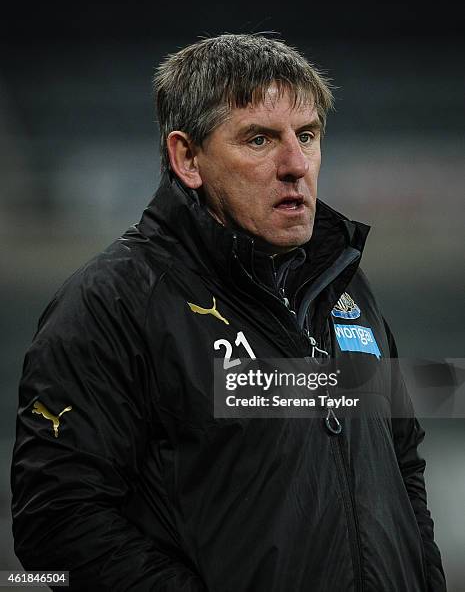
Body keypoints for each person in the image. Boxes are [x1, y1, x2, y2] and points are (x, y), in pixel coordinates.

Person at [11, 34, 446, 591]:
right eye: (260, 139)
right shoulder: (113, 302)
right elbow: (58, 520)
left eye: (307, 136)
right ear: (187, 158)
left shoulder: (347, 288)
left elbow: (403, 464)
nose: (295, 164)